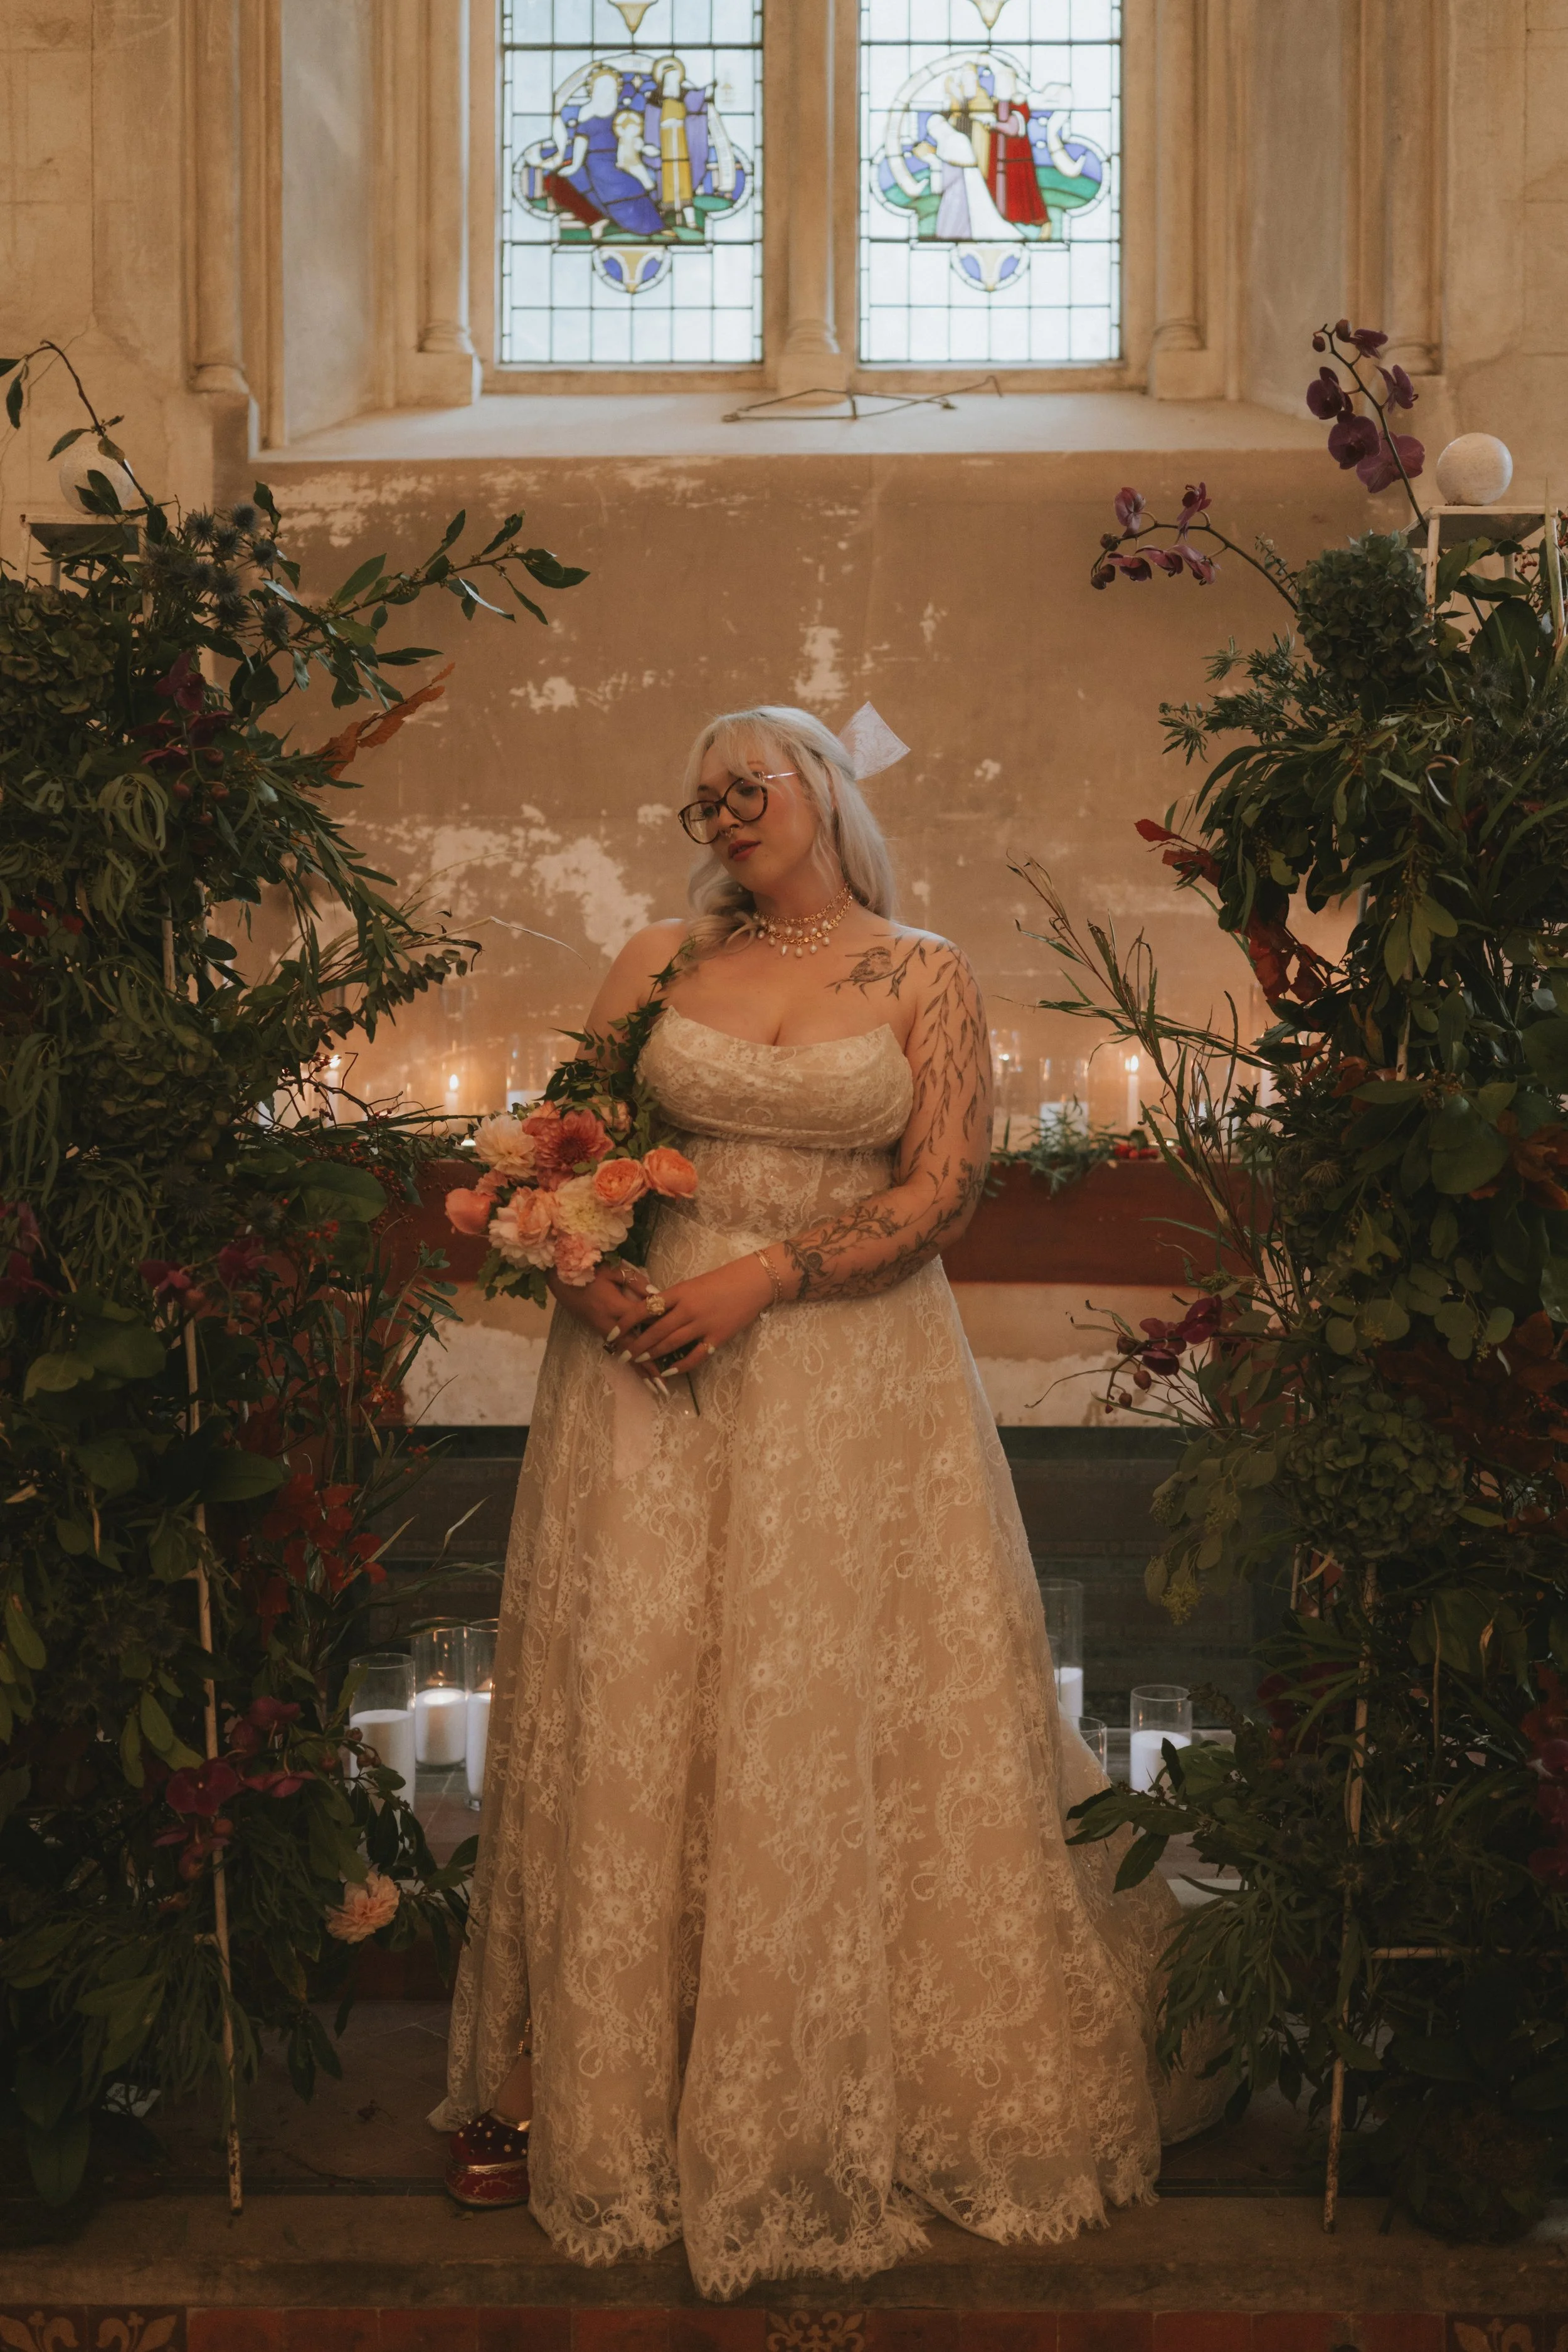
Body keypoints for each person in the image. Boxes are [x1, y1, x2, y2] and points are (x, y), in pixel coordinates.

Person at [435, 704, 1223, 2301]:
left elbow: (943, 1189)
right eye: (701, 793)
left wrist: (762, 1278)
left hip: (850, 1380)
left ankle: (821, 2088)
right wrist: (599, 1300)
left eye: (749, 781)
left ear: (823, 791)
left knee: (833, 1698)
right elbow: (550, 1159)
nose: (720, 807)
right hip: (643, 1371)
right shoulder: (654, 958)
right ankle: (585, 2085)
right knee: (644, 1691)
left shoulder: (922, 973)